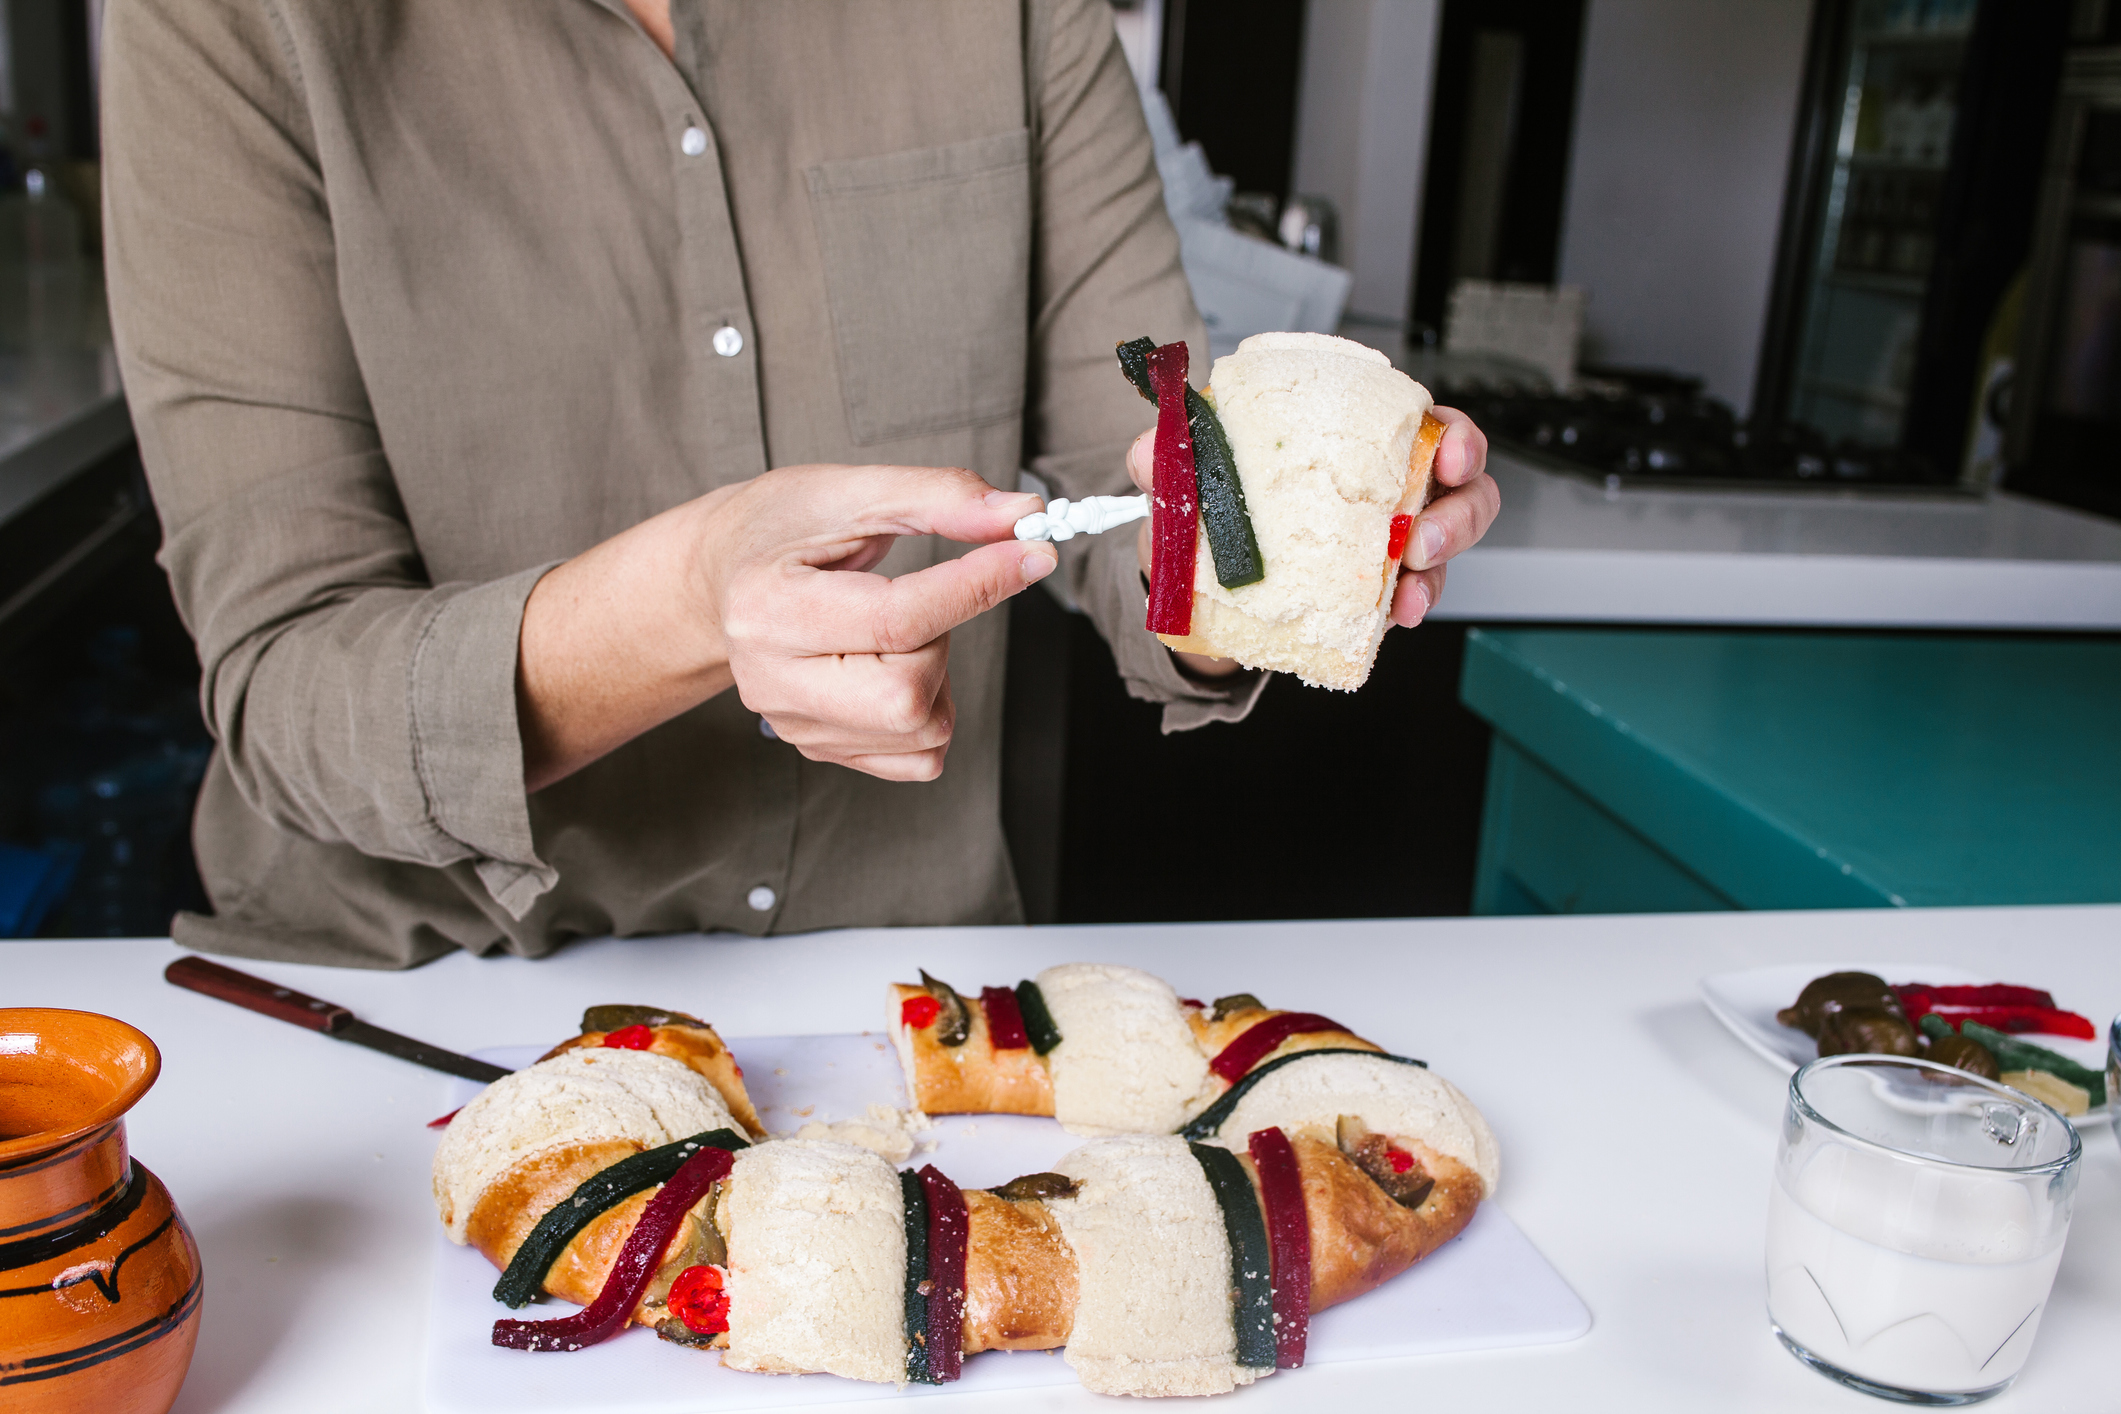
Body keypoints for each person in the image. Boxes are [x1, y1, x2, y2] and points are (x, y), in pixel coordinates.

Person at [102, 0, 1499, 968]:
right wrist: (692, 602)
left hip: (892, 1001)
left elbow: (1123, 470)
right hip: (411, 992)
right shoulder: (225, 26)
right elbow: (282, 681)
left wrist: (1263, 558)